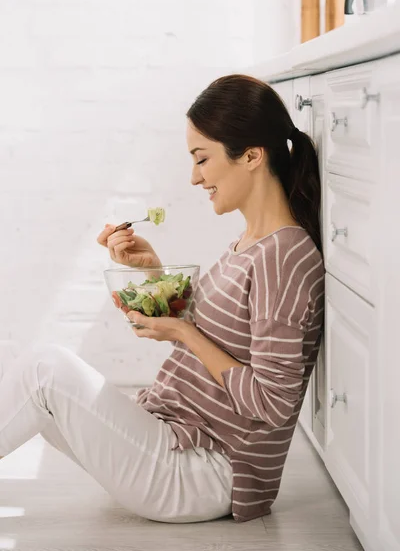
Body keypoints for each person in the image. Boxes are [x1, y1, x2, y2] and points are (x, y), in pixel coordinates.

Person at [0, 74, 325, 524]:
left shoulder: (283, 256)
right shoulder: (251, 243)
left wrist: (184, 333)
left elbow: (270, 404)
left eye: (202, 159)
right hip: (175, 438)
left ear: (251, 155)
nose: (194, 177)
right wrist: (151, 268)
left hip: (211, 470)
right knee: (45, 394)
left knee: (44, 371)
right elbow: (216, 337)